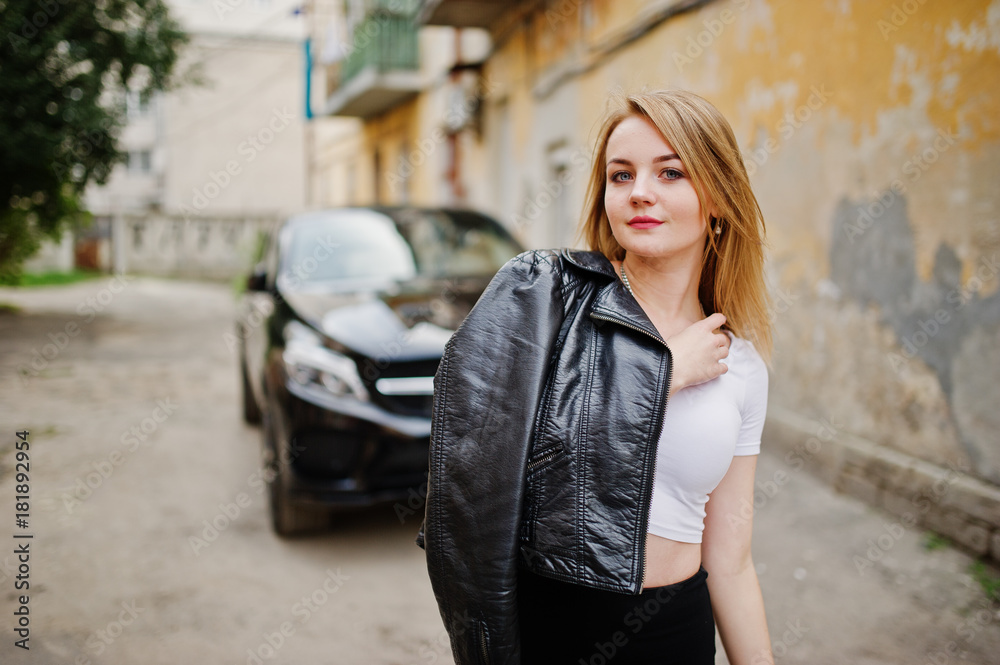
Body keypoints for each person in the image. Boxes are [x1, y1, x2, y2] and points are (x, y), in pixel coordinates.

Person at [417, 89, 774, 665]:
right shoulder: (545, 301)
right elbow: (472, 471)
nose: (640, 192)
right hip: (549, 626)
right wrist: (662, 375)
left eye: (671, 172)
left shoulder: (740, 365)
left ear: (718, 200)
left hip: (673, 633)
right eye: (621, 175)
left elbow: (730, 560)